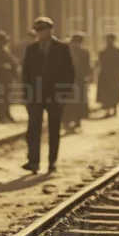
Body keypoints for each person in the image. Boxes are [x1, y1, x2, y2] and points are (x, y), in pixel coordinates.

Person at [21, 16, 75, 172]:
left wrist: (64, 94)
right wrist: (26, 95)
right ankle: (33, 161)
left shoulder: (62, 48)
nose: (39, 33)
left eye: (42, 30)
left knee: (54, 129)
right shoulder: (31, 49)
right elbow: (26, 74)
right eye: (37, 31)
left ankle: (52, 161)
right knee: (33, 129)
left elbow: (69, 73)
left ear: (50, 30)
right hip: (35, 96)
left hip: (55, 95)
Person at [0, 30, 19, 123]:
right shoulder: (2, 49)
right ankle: (4, 115)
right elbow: (11, 61)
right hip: (4, 76)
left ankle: (4, 114)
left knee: (3, 96)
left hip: (1, 76)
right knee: (4, 96)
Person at [65, 33, 93, 131]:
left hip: (79, 80)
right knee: (70, 102)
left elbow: (88, 67)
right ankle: (69, 121)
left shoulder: (84, 52)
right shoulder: (67, 51)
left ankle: (76, 120)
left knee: (78, 102)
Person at [96, 33, 119, 117]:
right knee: (106, 93)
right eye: (107, 39)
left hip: (114, 74)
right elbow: (99, 63)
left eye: (110, 39)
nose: (109, 41)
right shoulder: (102, 52)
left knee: (114, 92)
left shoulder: (118, 51)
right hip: (105, 75)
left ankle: (115, 108)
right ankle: (108, 109)